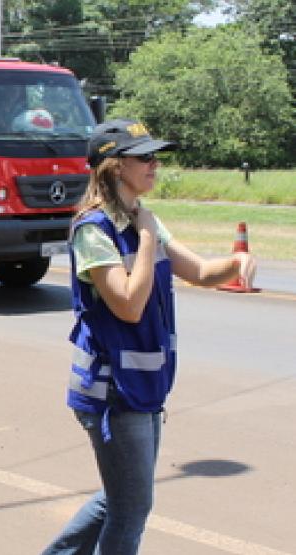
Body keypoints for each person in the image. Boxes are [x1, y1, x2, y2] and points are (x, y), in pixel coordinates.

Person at [41, 119, 256, 555]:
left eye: (155, 156)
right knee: (131, 507)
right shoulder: (93, 231)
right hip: (113, 393)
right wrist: (144, 235)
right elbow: (128, 304)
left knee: (121, 498)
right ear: (115, 166)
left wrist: (237, 262)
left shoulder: (143, 222)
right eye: (145, 157)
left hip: (141, 387)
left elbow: (198, 271)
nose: (155, 164)